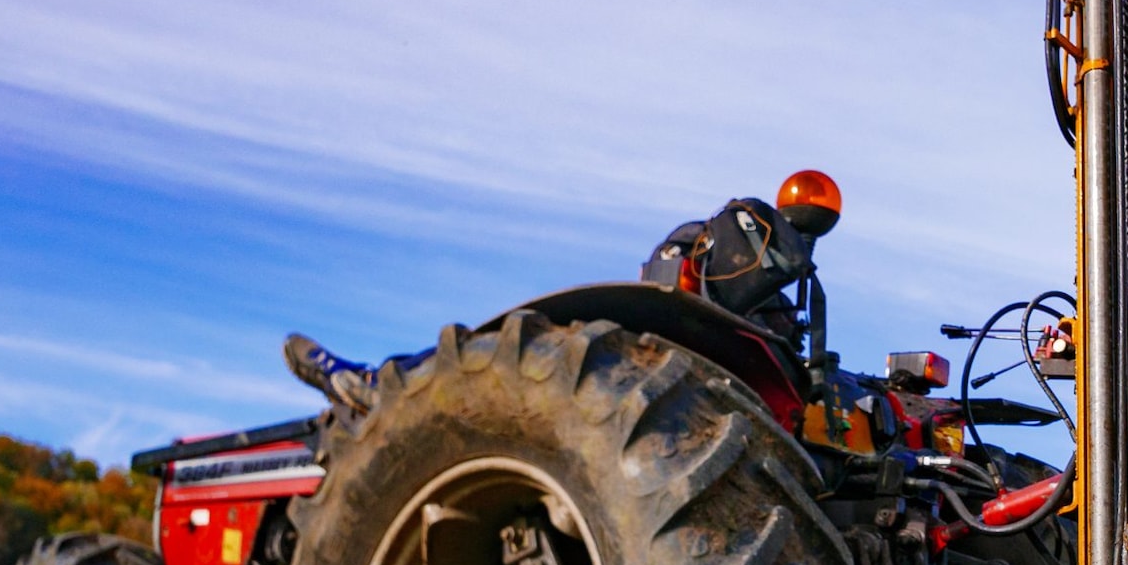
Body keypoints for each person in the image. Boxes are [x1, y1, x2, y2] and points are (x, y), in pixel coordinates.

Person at [284, 176, 839, 413]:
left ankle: (382, 383)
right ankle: (384, 383)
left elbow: (663, 286)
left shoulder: (716, 274)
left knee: (527, 346)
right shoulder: (784, 317)